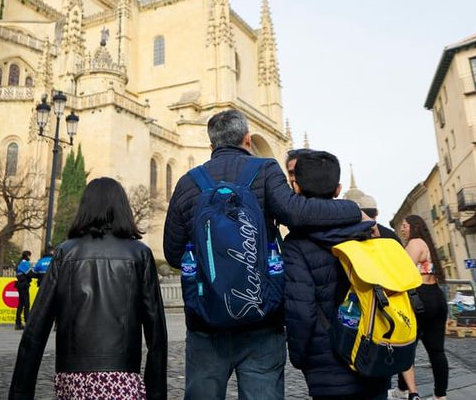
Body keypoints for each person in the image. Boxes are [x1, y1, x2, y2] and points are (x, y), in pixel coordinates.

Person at [164, 109, 373, 400]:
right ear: (247, 140)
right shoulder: (264, 170)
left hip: (206, 322)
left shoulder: (188, 182)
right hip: (261, 318)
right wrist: (352, 210)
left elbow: (172, 253)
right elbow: (297, 214)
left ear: (211, 146)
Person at [9, 177, 167, 400]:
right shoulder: (139, 254)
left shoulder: (65, 253)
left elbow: (35, 329)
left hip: (73, 377)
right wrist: (156, 393)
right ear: (123, 208)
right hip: (122, 375)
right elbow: (156, 333)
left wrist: (21, 393)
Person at [284, 150, 389, 400]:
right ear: (338, 188)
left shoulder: (295, 244)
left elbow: (301, 310)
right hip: (373, 351)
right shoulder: (369, 232)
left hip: (327, 361)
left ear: (295, 187)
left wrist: (299, 357)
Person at [389, 215, 449, 400]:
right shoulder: (426, 243)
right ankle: (440, 396)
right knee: (437, 351)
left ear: (414, 227)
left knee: (406, 347)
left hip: (421, 298)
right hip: (437, 296)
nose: (402, 229)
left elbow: (403, 272)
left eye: (405, 226)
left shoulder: (414, 243)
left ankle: (405, 390)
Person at [14, 250, 33, 330]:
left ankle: (18, 323)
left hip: (20, 285)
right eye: (30, 256)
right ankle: (27, 322)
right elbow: (30, 273)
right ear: (28, 255)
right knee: (26, 305)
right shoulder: (25, 263)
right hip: (24, 285)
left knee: (20, 304)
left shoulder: (20, 262)